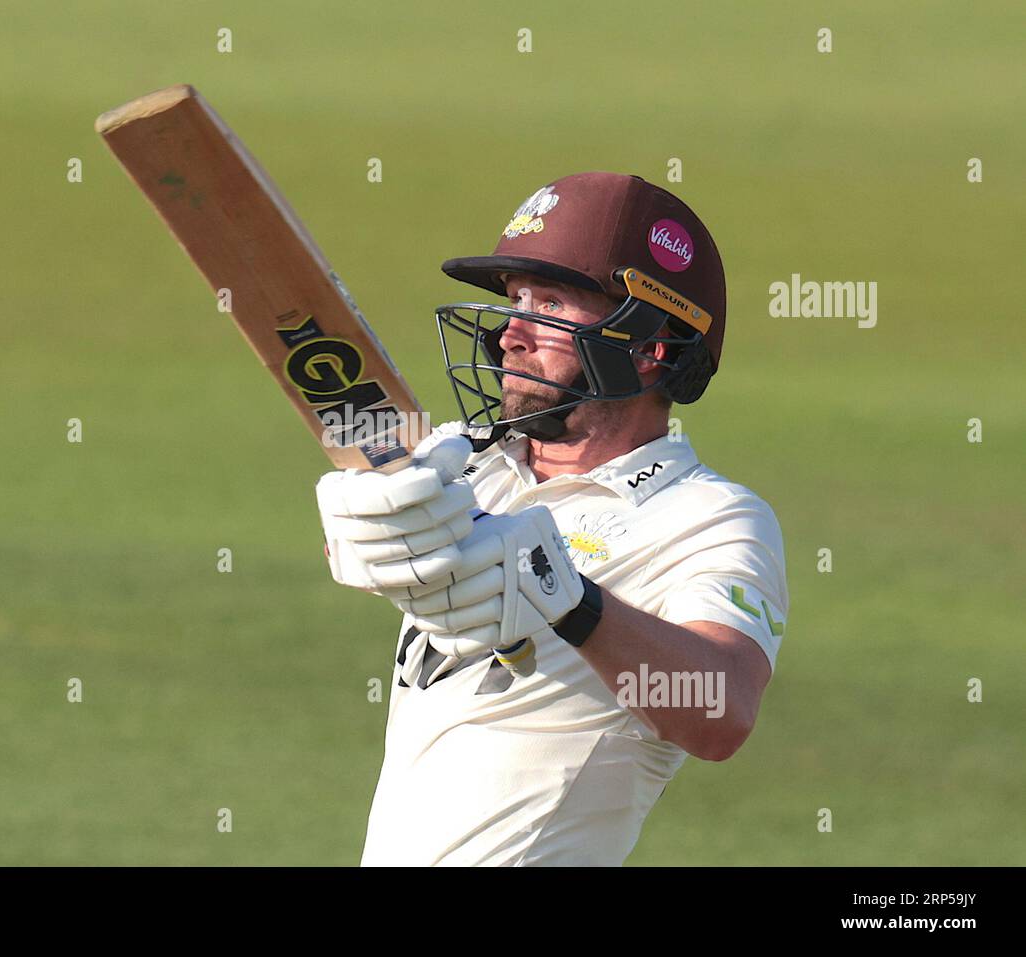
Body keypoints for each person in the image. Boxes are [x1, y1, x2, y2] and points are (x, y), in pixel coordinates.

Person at [316, 172, 789, 866]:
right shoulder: (463, 462)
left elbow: (722, 712)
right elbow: (371, 506)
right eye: (514, 300)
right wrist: (357, 530)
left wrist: (569, 599)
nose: (512, 332)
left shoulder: (708, 517)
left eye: (551, 302)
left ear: (650, 343)